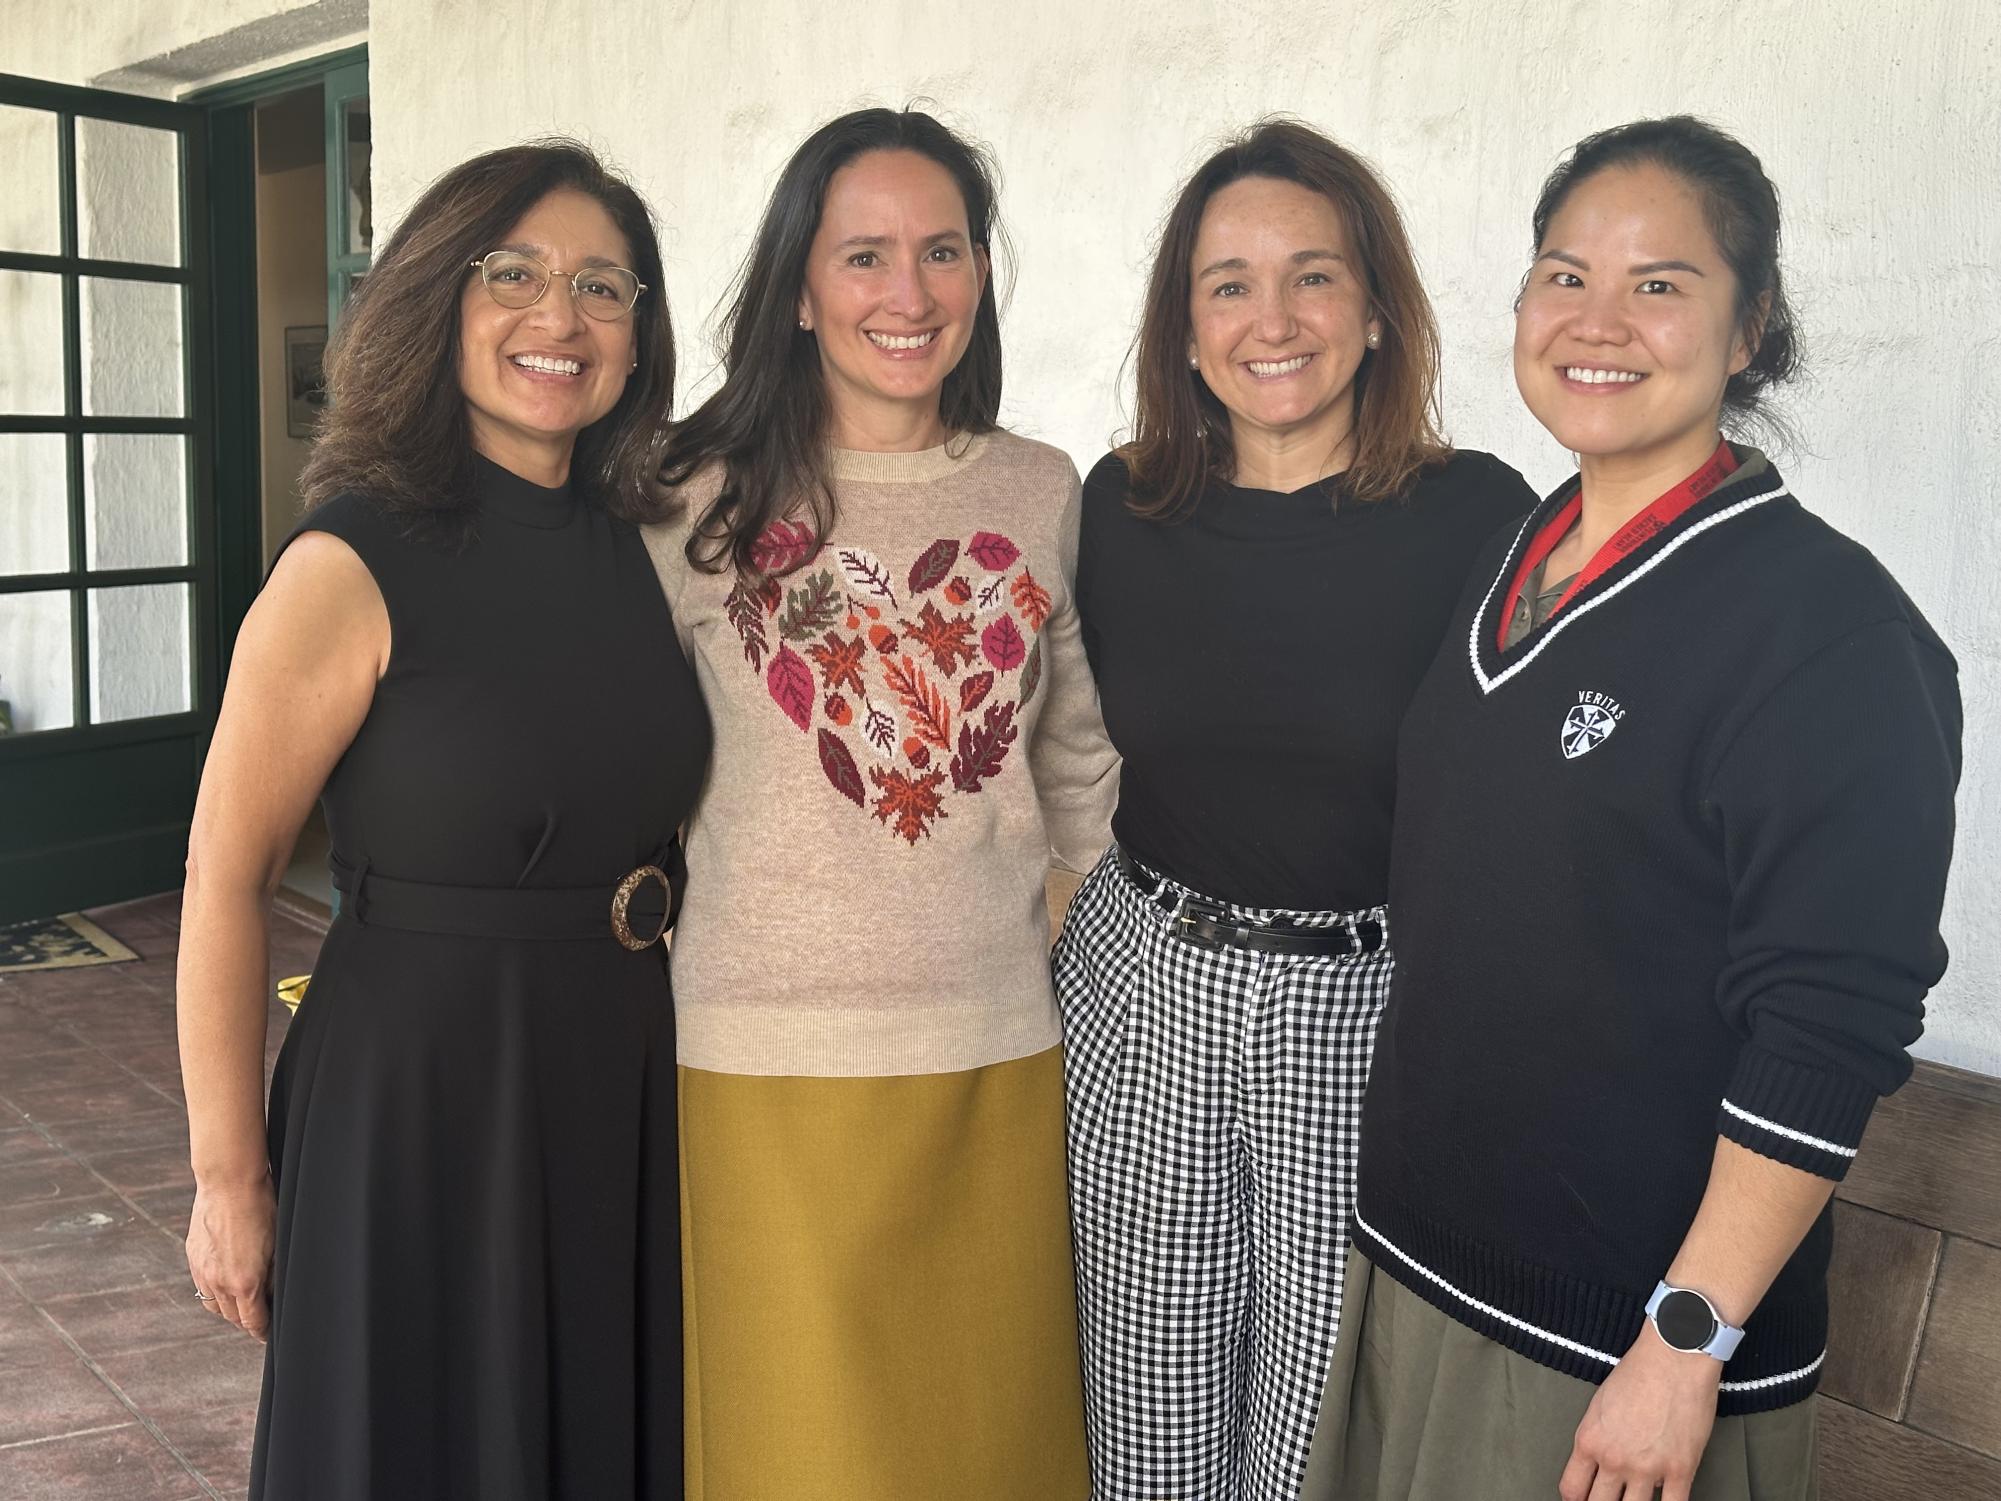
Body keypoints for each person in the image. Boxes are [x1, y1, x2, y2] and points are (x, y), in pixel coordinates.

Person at [1302, 116, 1961, 1501]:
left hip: (1618, 1350)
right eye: (1563, 275)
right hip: (1421, 1270)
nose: (1597, 321)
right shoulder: (1510, 553)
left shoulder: (1826, 633)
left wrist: (1683, 1341)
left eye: (1659, 284)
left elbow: (1828, 1023)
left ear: (1748, 327)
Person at [177, 140, 709, 1501]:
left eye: (604, 285)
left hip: (614, 1070)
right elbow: (227, 880)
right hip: (413, 1098)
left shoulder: (644, 540)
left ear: (639, 332)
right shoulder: (348, 560)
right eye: (514, 273)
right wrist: (228, 1177)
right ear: (436, 299)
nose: (560, 317)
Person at [1051, 118, 1538, 1500]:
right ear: (1184, 324)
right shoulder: (1121, 503)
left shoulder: (1477, 518)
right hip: (1140, 994)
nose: (1271, 318)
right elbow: (1045, 749)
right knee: (1138, 1428)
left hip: (1366, 1010)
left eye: (1312, 276)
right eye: (1228, 283)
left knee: (1319, 1442)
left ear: (1376, 312)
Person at [643, 106, 1117, 1501]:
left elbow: (1079, 767)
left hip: (992, 1060)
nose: (906, 296)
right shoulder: (685, 498)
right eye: (862, 256)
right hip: (753, 1063)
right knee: (798, 1455)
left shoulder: (1039, 490)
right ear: (798, 285)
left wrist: (1054, 935)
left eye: (942, 251)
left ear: (980, 272)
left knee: (988, 1445)